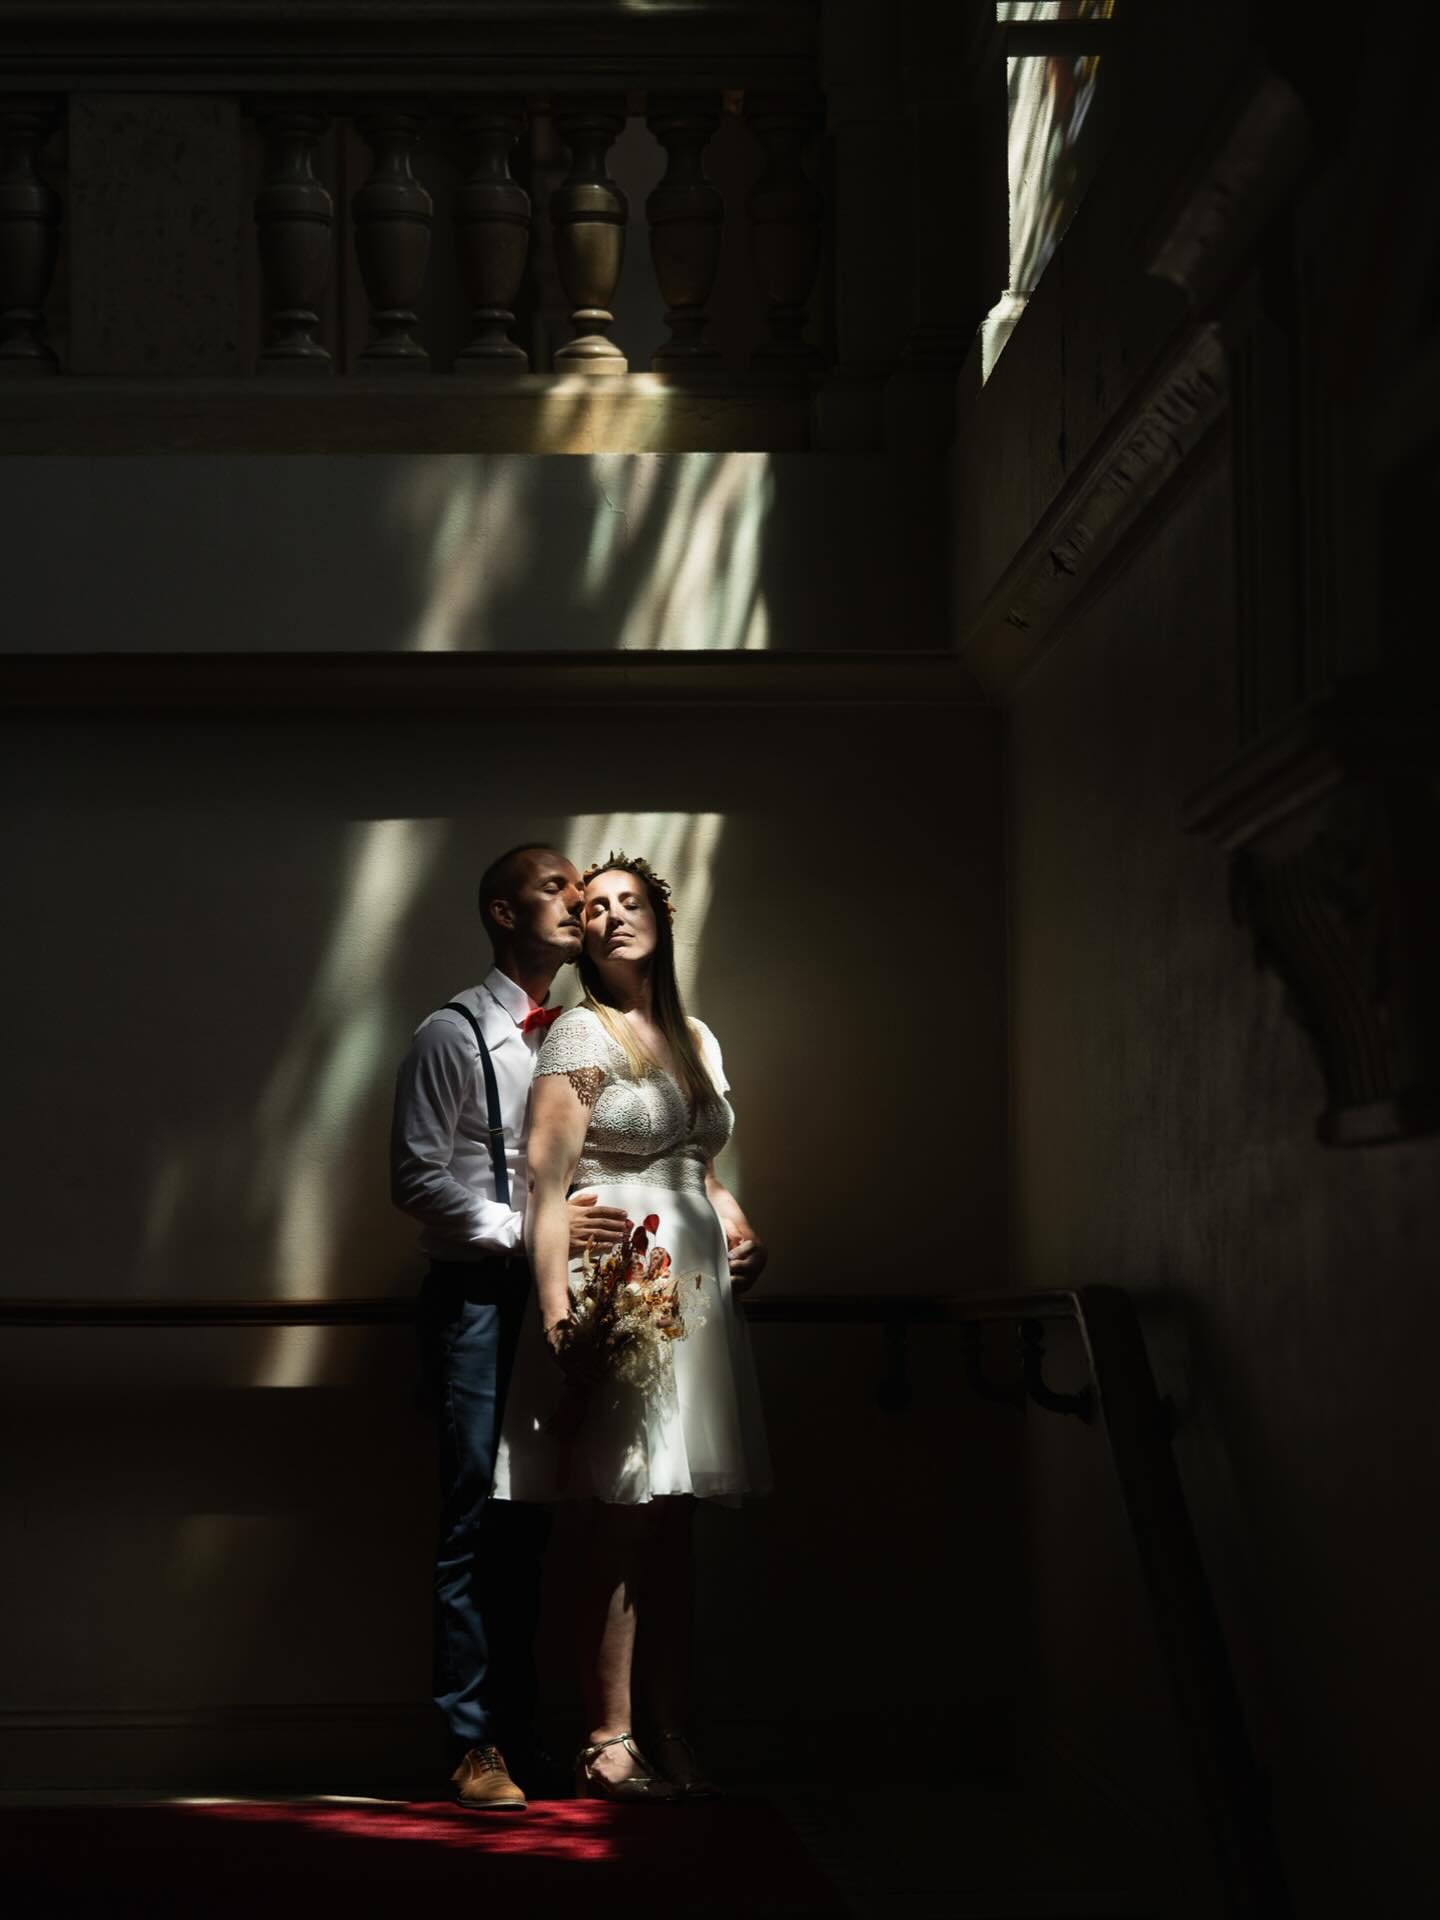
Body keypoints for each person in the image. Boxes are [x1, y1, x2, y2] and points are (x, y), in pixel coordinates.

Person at [491, 852, 771, 1803]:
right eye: (593, 907)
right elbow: (544, 1180)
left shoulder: (693, 1034)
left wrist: (739, 1230)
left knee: (677, 1520)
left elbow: (701, 1164)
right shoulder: (579, 1031)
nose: (610, 916)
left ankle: (671, 1724)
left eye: (628, 901)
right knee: (625, 1514)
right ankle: (605, 1737)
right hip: (622, 1286)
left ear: (661, 916)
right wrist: (558, 1310)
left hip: (698, 1296)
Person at [390, 843, 629, 1813]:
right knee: (474, 1522)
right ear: (501, 912)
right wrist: (531, 1228)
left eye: (583, 889)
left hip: (562, 1303)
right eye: (553, 889)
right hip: (479, 1305)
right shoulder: (450, 1035)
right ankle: (470, 1743)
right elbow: (413, 1180)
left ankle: (525, 1732)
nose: (577, 903)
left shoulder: (587, 1033)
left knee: (536, 1519)